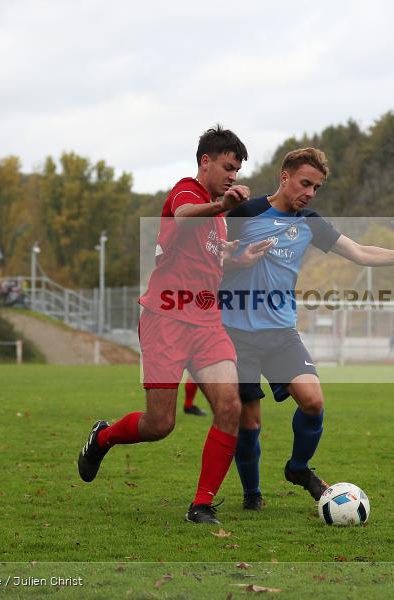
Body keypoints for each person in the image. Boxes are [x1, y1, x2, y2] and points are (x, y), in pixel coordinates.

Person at [221, 147, 394, 510]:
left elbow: (359, 252)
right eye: (305, 183)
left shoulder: (309, 222)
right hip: (236, 334)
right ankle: (252, 495)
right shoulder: (246, 212)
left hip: (281, 333)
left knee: (313, 402)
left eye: (316, 187)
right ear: (285, 177)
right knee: (249, 422)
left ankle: (297, 468)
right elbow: (208, 251)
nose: (310, 193)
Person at [76, 125, 263, 525]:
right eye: (228, 167)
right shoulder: (187, 192)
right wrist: (222, 205)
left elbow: (211, 263)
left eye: (237, 170)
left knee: (230, 406)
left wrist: (240, 259)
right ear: (205, 162)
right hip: (165, 319)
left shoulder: (218, 219)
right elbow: (183, 215)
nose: (233, 176)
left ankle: (202, 505)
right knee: (159, 424)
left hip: (207, 323)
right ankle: (104, 436)